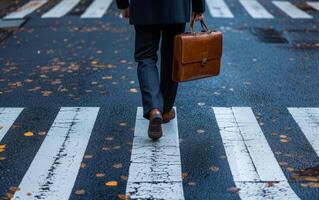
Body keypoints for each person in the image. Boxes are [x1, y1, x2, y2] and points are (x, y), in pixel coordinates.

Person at [115, 0, 205, 140]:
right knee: (172, 56)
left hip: (143, 6)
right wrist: (198, 6)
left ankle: (154, 109)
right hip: (176, 6)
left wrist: (123, 4)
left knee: (145, 57)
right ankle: (166, 110)